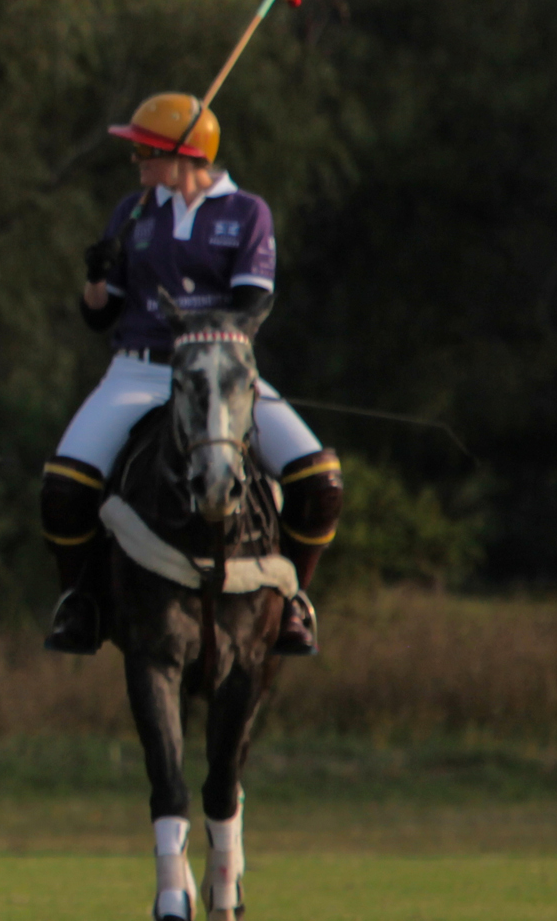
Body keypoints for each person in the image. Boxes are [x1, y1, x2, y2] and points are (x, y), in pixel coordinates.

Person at [40, 94, 342, 656]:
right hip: (139, 372)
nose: (138, 162)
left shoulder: (247, 212)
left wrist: (201, 342)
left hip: (219, 376)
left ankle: (294, 596)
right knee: (63, 485)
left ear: (184, 154)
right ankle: (80, 601)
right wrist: (97, 279)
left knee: (319, 480)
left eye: (146, 151)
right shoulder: (136, 212)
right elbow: (99, 315)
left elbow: (252, 304)